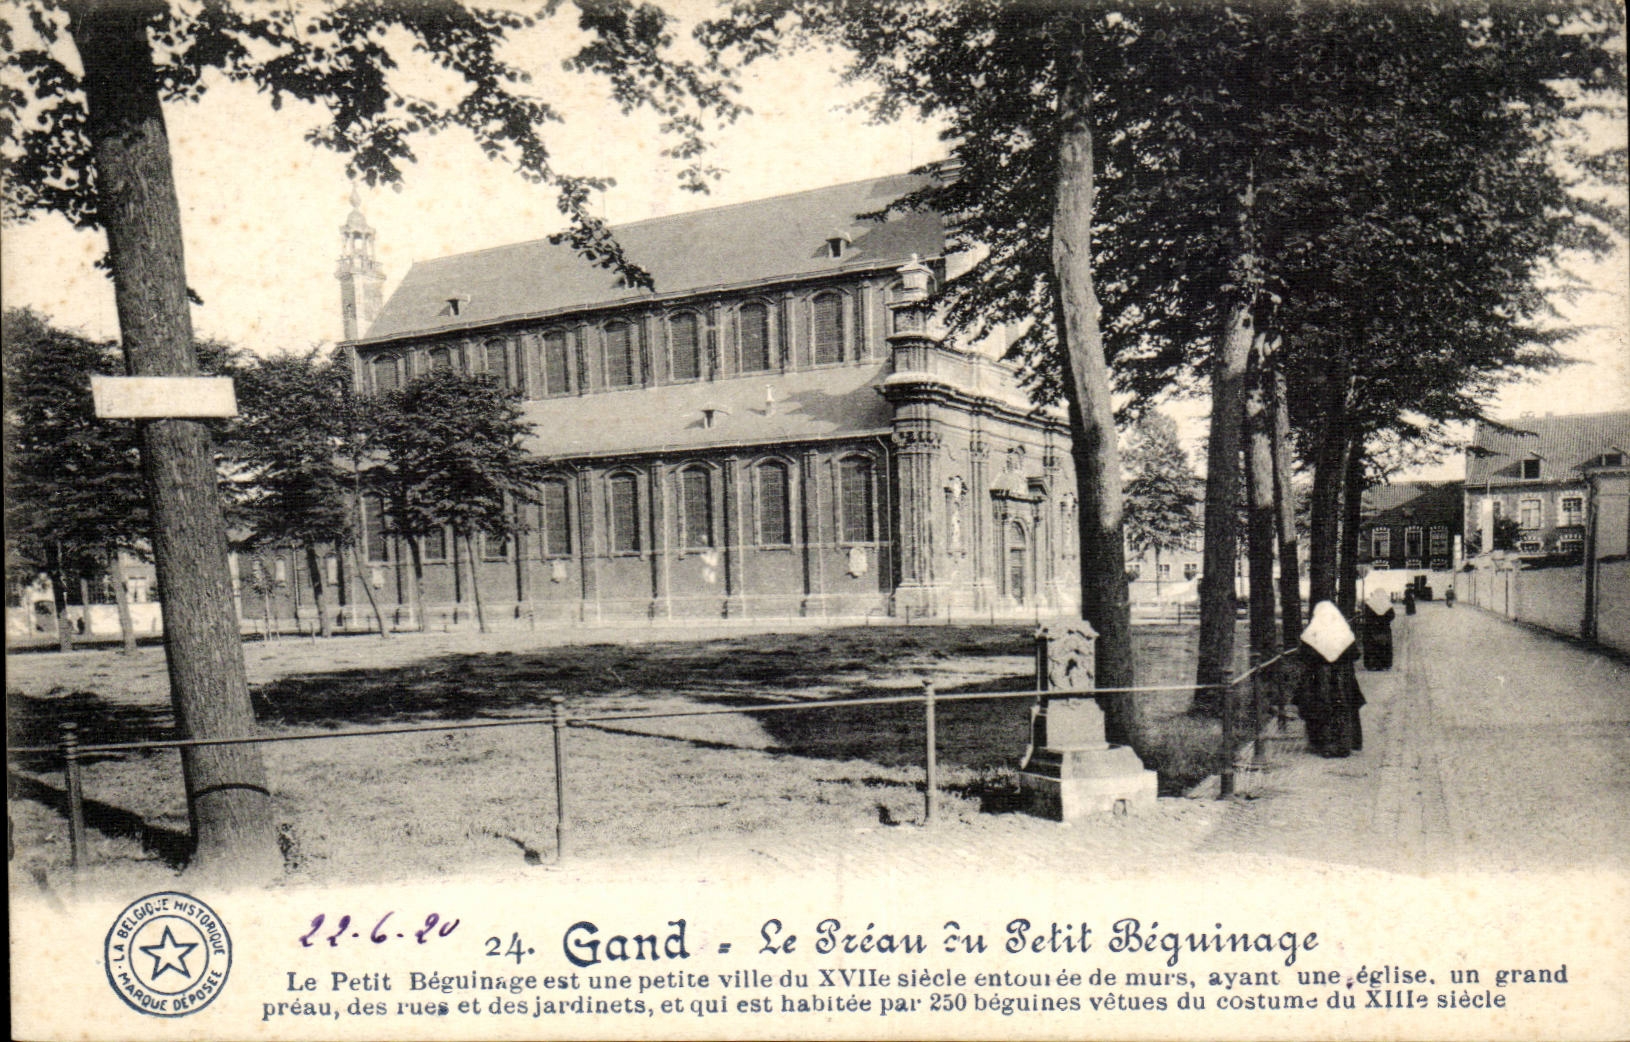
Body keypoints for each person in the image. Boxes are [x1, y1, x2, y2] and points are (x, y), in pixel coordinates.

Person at [1295, 601, 1366, 757]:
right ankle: (1343, 745)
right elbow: (1355, 654)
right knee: (1343, 708)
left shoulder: (1312, 632)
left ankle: (1325, 745)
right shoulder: (1343, 631)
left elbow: (1303, 655)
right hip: (1343, 677)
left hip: (1319, 678)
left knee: (1321, 708)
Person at [1360, 588, 1395, 670]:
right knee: (1384, 645)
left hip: (1371, 628)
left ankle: (1371, 664)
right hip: (1384, 627)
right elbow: (1392, 615)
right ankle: (1385, 664)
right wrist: (1384, 621)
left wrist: (1374, 621)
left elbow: (1366, 615)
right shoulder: (1387, 604)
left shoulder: (1369, 604)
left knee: (1371, 646)